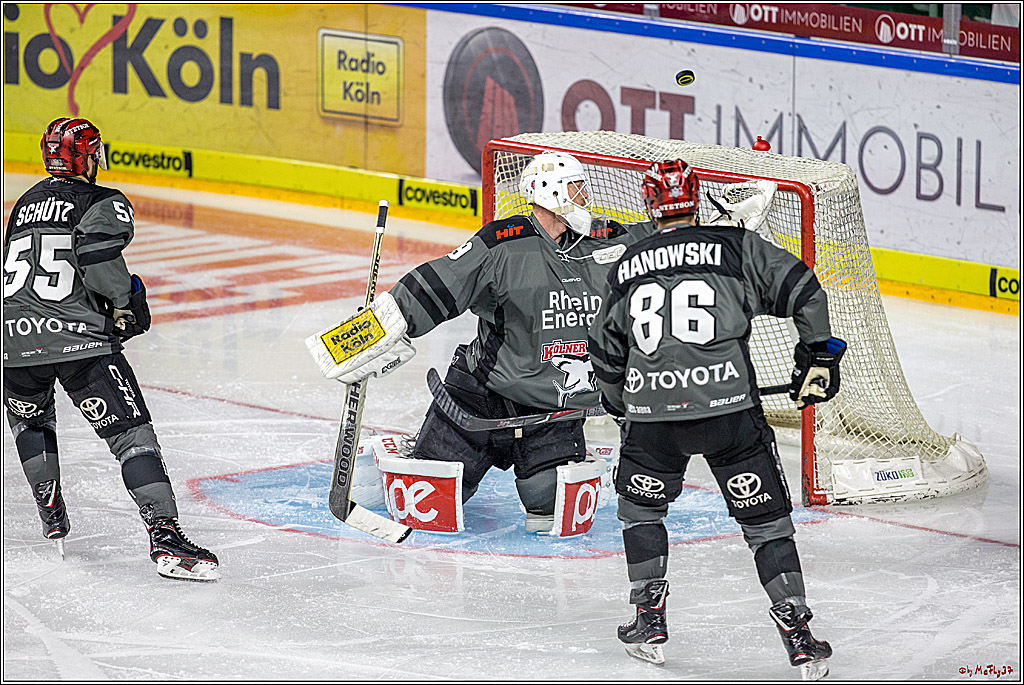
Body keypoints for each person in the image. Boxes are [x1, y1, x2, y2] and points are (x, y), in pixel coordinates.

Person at [307, 151, 658, 534]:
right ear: (551, 192)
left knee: (553, 508)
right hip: (481, 399)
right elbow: (441, 281)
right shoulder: (502, 243)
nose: (585, 197)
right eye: (576, 188)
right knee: (429, 504)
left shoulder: (602, 241)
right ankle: (400, 452)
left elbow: (665, 238)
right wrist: (370, 331)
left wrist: (720, 222)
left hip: (553, 412)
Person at [587, 160, 845, 677]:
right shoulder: (735, 246)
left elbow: (604, 348)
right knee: (767, 525)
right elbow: (803, 289)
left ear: (649, 204)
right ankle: (798, 635)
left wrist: (619, 402)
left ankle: (648, 620)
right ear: (696, 199)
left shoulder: (628, 263)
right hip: (730, 412)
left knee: (641, 513)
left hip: (653, 417)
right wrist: (817, 357)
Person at [3, 117, 218, 581]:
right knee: (132, 439)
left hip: (13, 342)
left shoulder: (22, 205)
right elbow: (98, 257)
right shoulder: (102, 201)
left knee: (31, 421)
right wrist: (125, 306)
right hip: (79, 342)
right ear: (90, 156)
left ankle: (51, 514)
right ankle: (165, 535)